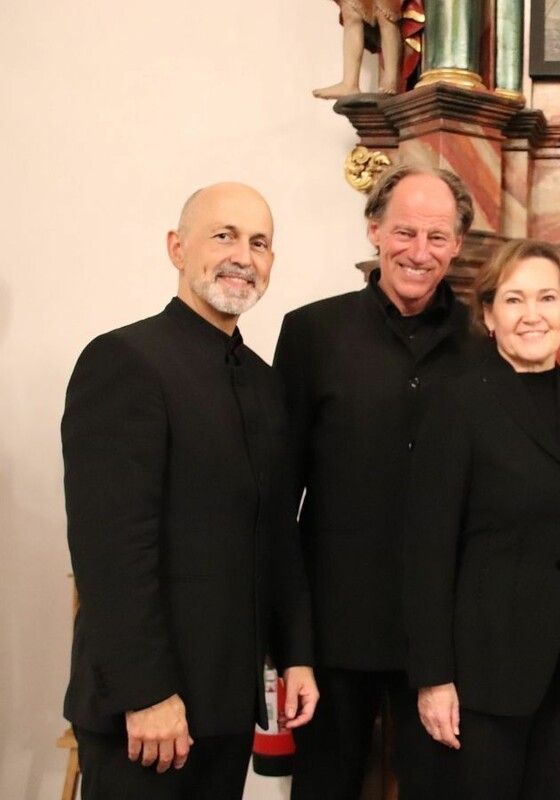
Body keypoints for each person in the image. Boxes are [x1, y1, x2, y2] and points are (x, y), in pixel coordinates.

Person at [61, 182, 318, 800]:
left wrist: (296, 655)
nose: (243, 255)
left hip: (226, 707)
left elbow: (275, 532)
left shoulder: (263, 381)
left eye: (259, 243)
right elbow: (110, 553)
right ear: (178, 248)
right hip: (147, 712)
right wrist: (147, 693)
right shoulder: (124, 361)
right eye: (223, 235)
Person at [273, 163, 477, 800]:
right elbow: (281, 498)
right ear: (373, 231)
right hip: (334, 634)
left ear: (459, 245)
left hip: (446, 641)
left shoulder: (485, 340)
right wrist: (292, 648)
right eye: (405, 232)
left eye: (437, 237)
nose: (420, 252)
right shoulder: (312, 333)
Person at [403, 239, 560, 799]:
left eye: (547, 298)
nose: (532, 314)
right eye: (514, 300)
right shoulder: (458, 403)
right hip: (479, 678)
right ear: (489, 315)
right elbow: (426, 549)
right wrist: (433, 678)